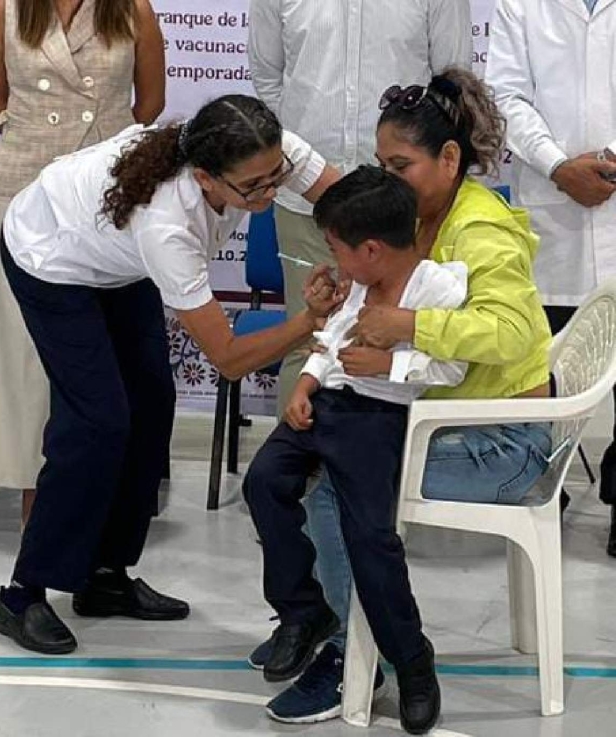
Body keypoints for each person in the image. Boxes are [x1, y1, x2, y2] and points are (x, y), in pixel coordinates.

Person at [252, 67, 554, 728]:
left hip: (500, 439)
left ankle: (353, 657)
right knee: (282, 472)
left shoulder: (480, 232)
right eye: (381, 163)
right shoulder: (406, 217)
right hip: (417, 416)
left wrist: (406, 328)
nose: (388, 178)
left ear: (450, 159)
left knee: (332, 489)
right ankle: (315, 616)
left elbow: (509, 333)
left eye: (401, 164)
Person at [0, 94, 341, 655]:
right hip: (49, 259)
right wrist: (309, 320)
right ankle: (21, 594)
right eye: (253, 188)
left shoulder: (259, 149)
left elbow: (339, 194)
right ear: (206, 177)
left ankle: (106, 577)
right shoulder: (167, 224)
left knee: (152, 405)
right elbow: (227, 358)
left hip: (114, 262)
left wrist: (366, 252)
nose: (272, 192)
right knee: (97, 424)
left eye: (276, 176)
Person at [247, 5, 472, 715]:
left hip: (380, 403)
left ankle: (400, 657)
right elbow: (268, 85)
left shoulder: (437, 269)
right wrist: (312, 378)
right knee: (274, 480)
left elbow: (449, 82)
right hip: (307, 202)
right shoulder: (343, 260)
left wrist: (394, 369)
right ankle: (310, 613)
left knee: (365, 525)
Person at [0, 0, 166, 524]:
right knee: (20, 353)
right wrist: (37, 134)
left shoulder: (133, 10)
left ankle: (100, 492)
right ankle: (33, 490)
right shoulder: (5, 9)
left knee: (103, 348)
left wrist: (101, 150)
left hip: (103, 196)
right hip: (20, 188)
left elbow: (149, 103)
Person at [484, 0, 616, 555]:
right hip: (551, 204)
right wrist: (558, 165)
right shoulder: (519, 4)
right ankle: (541, 489)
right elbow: (506, 97)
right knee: (544, 366)